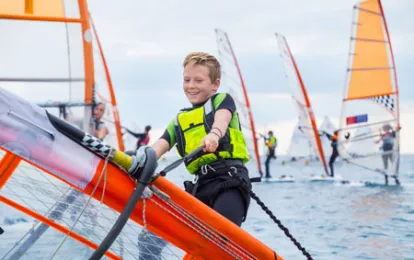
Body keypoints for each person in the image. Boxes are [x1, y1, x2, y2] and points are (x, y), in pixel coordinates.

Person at [130, 52, 252, 258]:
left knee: (220, 244)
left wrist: (214, 135)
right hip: (200, 187)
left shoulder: (222, 100)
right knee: (148, 238)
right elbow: (158, 147)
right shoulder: (179, 120)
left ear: (215, 84)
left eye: (198, 80)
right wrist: (138, 159)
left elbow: (221, 121)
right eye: (186, 80)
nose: (191, 85)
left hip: (229, 182)